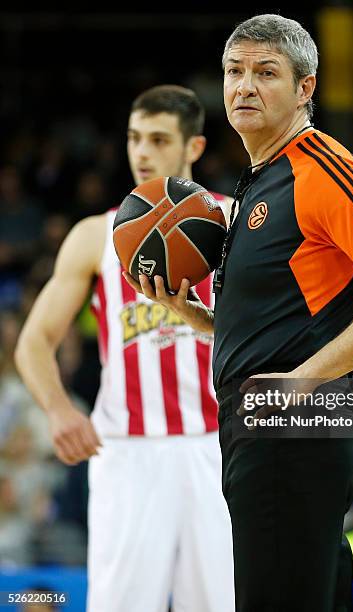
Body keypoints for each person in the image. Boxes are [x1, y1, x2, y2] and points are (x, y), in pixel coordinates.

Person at [125, 15, 353, 611]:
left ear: (305, 89)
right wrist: (200, 321)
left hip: (290, 425)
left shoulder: (318, 166)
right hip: (270, 424)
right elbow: (290, 320)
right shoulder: (259, 179)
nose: (244, 86)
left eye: (265, 72)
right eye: (234, 71)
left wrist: (304, 380)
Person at [15, 85, 235, 612]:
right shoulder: (95, 235)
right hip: (129, 450)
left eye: (158, 139)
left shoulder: (235, 225)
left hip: (220, 444)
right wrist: (59, 409)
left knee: (224, 603)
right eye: (135, 138)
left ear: (194, 149)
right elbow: (33, 342)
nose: (141, 152)